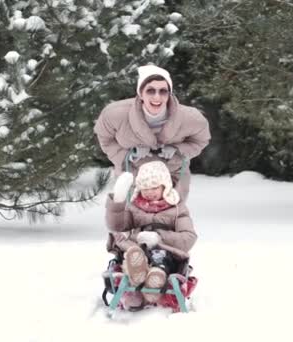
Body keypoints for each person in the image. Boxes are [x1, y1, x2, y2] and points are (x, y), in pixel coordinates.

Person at [93, 64, 211, 203]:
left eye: (163, 91)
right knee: (128, 218)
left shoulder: (192, 118)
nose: (157, 97)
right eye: (150, 91)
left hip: (173, 173)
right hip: (132, 172)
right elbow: (105, 138)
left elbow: (200, 140)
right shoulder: (114, 114)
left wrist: (178, 150)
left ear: (169, 94)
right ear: (140, 93)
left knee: (171, 218)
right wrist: (129, 155)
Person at [105, 160, 197, 308]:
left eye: (154, 187)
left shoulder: (178, 210)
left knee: (160, 256)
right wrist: (118, 202)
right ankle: (136, 279)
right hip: (138, 248)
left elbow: (189, 238)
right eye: (145, 188)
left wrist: (159, 238)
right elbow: (117, 225)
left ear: (165, 187)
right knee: (132, 254)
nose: (149, 192)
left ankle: (155, 277)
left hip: (165, 252)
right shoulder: (133, 207)